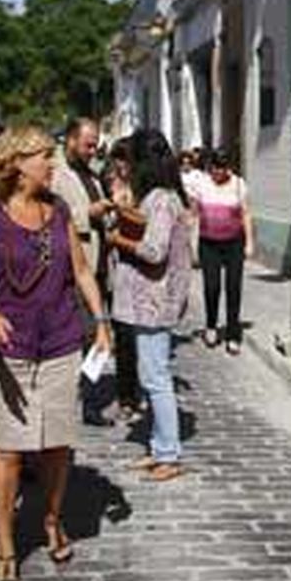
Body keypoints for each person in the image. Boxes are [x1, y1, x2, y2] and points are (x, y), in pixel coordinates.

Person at [0, 126, 112, 581]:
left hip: (62, 340)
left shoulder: (60, 209)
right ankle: (5, 547)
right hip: (7, 346)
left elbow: (82, 271)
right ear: (17, 162)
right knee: (7, 449)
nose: (52, 164)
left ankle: (51, 520)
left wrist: (102, 320)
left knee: (56, 443)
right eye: (45, 156)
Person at [108, 128, 194, 482]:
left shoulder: (160, 199)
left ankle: (170, 454)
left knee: (156, 378)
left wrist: (119, 239)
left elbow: (154, 251)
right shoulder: (163, 197)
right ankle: (160, 447)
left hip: (154, 302)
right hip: (150, 301)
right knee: (151, 375)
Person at [50, 118, 118, 425]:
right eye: (88, 145)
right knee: (82, 336)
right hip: (74, 269)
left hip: (100, 267)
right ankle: (72, 399)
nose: (93, 151)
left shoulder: (91, 174)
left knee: (97, 339)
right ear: (71, 140)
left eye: (96, 145)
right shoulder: (56, 173)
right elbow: (52, 215)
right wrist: (86, 215)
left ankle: (87, 397)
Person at [193, 148, 252, 355]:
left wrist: (249, 242)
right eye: (215, 168)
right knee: (212, 286)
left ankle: (233, 335)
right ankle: (211, 326)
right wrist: (189, 242)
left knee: (233, 288)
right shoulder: (202, 183)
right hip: (208, 244)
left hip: (234, 243)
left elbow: (245, 213)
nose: (218, 172)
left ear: (229, 168)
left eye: (222, 168)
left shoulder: (238, 184)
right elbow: (192, 212)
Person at [104, 138, 142, 420]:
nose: (120, 166)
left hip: (141, 262)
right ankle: (126, 395)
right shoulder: (110, 184)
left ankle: (139, 390)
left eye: (124, 160)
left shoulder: (145, 189)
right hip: (117, 265)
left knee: (141, 336)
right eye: (117, 160)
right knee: (124, 334)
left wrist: (121, 210)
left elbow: (146, 221)